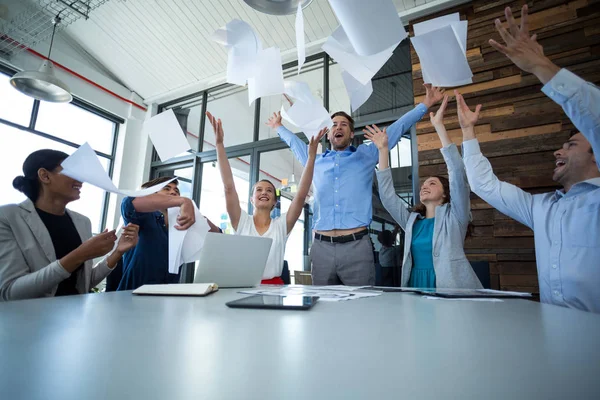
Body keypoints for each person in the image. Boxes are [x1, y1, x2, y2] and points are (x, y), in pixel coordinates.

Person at [460, 5, 600, 312]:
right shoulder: (541, 208)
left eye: (571, 145)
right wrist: (468, 132)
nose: (558, 151)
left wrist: (540, 66)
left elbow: (597, 119)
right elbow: (484, 185)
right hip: (556, 340)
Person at [267, 86, 444, 285]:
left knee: (361, 308)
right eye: (333, 125)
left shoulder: (366, 155)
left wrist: (425, 105)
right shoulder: (314, 160)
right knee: (324, 309)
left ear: (351, 134)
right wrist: (278, 127)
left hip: (356, 247)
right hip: (321, 248)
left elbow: (396, 129)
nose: (338, 127)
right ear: (328, 134)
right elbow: (294, 143)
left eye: (343, 124)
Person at [366, 95, 482, 289]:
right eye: (423, 184)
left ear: (446, 194)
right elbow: (387, 196)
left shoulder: (456, 217)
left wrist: (439, 126)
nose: (424, 186)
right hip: (416, 286)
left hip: (449, 288)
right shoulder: (412, 223)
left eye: (432, 183)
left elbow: (458, 174)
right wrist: (383, 149)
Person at [0, 149, 139, 301]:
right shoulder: (8, 217)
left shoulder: (82, 222)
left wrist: (117, 252)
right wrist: (81, 254)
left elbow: (84, 283)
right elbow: (9, 293)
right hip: (29, 320)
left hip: (73, 316)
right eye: (72, 171)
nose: (81, 180)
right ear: (45, 176)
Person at [208, 111, 325, 284]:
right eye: (259, 190)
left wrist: (312, 157)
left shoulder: (281, 226)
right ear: (251, 199)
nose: (264, 192)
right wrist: (219, 144)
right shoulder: (241, 222)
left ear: (275, 202)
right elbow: (229, 187)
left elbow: (300, 196)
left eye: (269, 190)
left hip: (275, 288)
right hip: (243, 285)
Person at [116, 177, 221, 291]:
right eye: (167, 189)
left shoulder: (182, 224)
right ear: (152, 194)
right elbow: (128, 202)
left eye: (177, 191)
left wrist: (201, 219)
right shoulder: (144, 216)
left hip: (168, 295)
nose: (173, 192)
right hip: (133, 294)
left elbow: (218, 236)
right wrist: (184, 201)